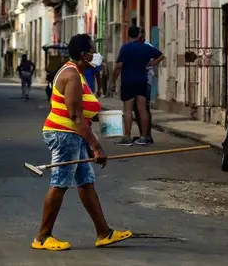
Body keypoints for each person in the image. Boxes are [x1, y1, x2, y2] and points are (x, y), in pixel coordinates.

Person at [35, 34, 132, 251]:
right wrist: (95, 146)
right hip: (64, 134)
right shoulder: (71, 75)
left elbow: (82, 114)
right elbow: (76, 115)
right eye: (92, 50)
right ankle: (42, 237)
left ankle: (104, 233)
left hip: (73, 134)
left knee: (86, 182)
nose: (95, 54)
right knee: (60, 183)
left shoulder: (77, 73)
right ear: (83, 55)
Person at [110, 26, 165, 146]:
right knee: (142, 109)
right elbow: (161, 56)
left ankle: (127, 137)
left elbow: (119, 66)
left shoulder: (125, 48)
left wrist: (113, 81)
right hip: (142, 81)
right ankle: (144, 136)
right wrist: (152, 64)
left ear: (128, 35)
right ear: (139, 35)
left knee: (128, 110)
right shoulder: (146, 48)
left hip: (128, 82)